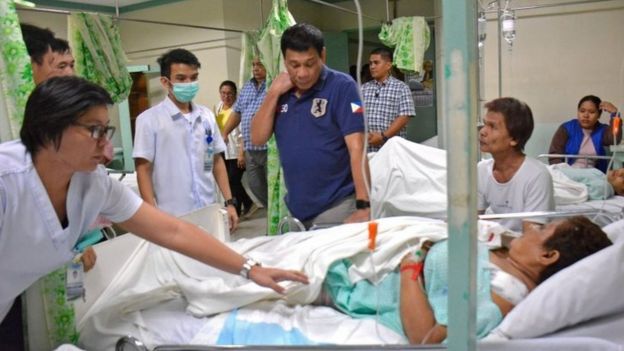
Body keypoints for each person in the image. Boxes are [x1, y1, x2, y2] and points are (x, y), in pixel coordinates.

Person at [0, 76, 309, 324]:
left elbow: (172, 231)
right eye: (95, 131)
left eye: (106, 132)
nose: (108, 151)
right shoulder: (7, 183)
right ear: (49, 128)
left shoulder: (93, 184)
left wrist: (250, 268)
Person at [319, 216, 612, 343]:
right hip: (367, 249)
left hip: (352, 278)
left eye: (544, 228)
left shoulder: (497, 298)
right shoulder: (506, 259)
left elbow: (425, 339)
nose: (532, 226)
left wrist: (411, 266)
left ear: (548, 256)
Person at [251, 23, 370, 229]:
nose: (303, 73)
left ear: (322, 56)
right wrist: (272, 94)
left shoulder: (342, 87)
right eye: (294, 65)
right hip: (298, 209)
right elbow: (257, 138)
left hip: (338, 204)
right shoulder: (280, 92)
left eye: (310, 63)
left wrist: (363, 205)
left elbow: (357, 147)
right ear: (284, 61)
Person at [133, 49, 238, 230]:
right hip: (173, 216)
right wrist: (152, 216)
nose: (189, 83)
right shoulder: (149, 120)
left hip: (209, 210)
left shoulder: (206, 116)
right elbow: (143, 169)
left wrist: (229, 202)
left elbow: (216, 161)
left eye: (193, 77)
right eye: (181, 79)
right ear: (166, 82)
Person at [478, 97, 555, 232]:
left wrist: (493, 239)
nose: (483, 131)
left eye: (493, 126)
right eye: (485, 124)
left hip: (523, 248)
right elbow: (472, 223)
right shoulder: (481, 170)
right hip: (495, 243)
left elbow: (531, 238)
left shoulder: (537, 176)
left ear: (514, 139)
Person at [221, 58, 269, 208]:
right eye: (253, 65)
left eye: (260, 64)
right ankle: (272, 210)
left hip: (270, 148)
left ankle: (282, 219)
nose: (255, 68)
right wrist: (224, 133)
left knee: (276, 186)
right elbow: (237, 112)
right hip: (250, 149)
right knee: (255, 185)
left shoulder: (273, 84)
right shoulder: (247, 87)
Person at [548, 95, 621, 173]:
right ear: (578, 112)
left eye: (592, 112)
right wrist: (563, 173)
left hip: (593, 174)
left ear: (599, 115)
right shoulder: (566, 128)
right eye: (582, 111)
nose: (586, 115)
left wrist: (615, 115)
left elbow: (614, 139)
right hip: (567, 173)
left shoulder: (602, 130)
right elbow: (554, 155)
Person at [361, 47, 415, 152]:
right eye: (370, 63)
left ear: (388, 65)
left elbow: (405, 116)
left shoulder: (401, 88)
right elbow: (355, 112)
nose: (372, 66)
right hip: (367, 148)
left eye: (376, 63)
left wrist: (383, 137)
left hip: (392, 149)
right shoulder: (362, 88)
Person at [215, 80, 253, 217]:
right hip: (224, 151)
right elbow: (219, 128)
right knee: (230, 181)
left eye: (229, 93)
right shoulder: (218, 107)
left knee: (233, 180)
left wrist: (241, 154)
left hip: (237, 151)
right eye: (223, 93)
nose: (226, 96)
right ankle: (247, 203)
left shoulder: (238, 108)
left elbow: (243, 134)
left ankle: (237, 209)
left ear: (235, 94)